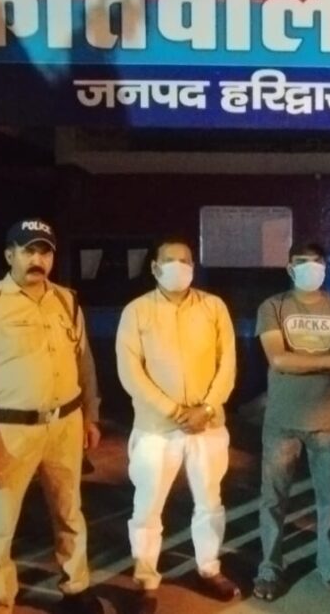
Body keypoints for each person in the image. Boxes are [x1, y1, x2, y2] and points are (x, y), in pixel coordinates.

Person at [0, 218, 103, 614]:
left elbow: (84, 364)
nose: (38, 259)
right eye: (28, 250)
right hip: (9, 431)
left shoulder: (67, 301)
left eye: (45, 252)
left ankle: (76, 589)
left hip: (65, 426)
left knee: (70, 513)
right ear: (9, 255)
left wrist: (91, 416)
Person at [115, 237, 240, 613]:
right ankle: (145, 580)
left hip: (208, 425)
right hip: (156, 428)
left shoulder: (213, 307)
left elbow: (227, 364)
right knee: (147, 508)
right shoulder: (137, 311)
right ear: (154, 267)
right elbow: (130, 372)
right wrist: (173, 410)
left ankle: (209, 568)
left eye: (186, 260)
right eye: (171, 260)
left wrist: (206, 408)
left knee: (209, 502)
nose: (179, 267)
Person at [253, 242, 330, 601]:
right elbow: (278, 360)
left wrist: (300, 360)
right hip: (281, 420)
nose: (310, 267)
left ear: (325, 267)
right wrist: (327, 360)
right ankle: (269, 569)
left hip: (326, 421)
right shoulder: (272, 307)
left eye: (317, 262)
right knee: (273, 499)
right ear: (289, 268)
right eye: (302, 262)